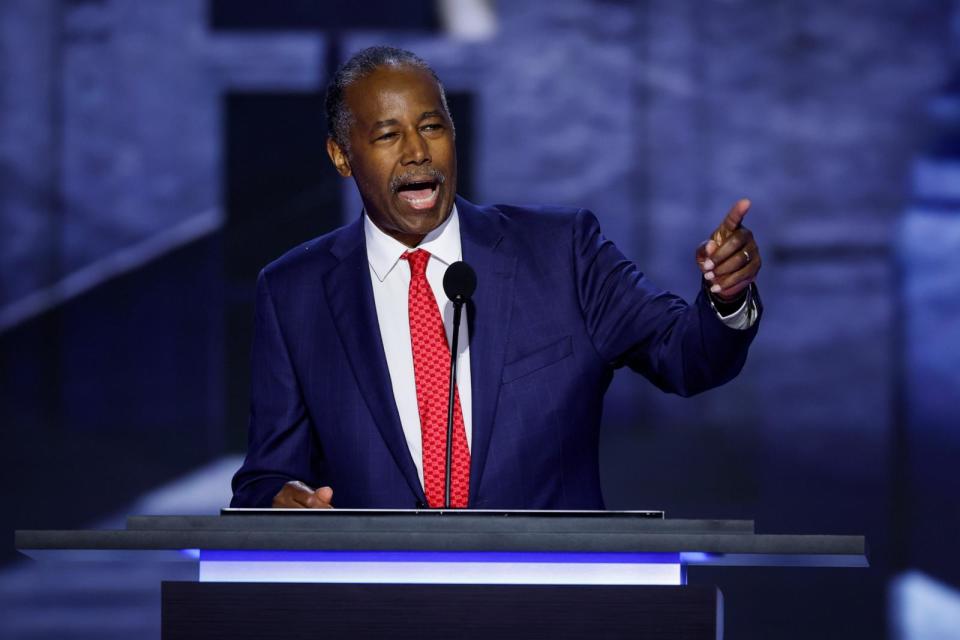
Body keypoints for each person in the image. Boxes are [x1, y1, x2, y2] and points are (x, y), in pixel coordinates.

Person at [230, 46, 762, 510]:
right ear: (341, 156)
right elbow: (265, 478)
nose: (418, 152)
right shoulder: (293, 293)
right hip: (381, 608)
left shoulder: (562, 252)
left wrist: (725, 300)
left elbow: (688, 357)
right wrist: (282, 498)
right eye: (389, 135)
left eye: (432, 127)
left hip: (550, 603)